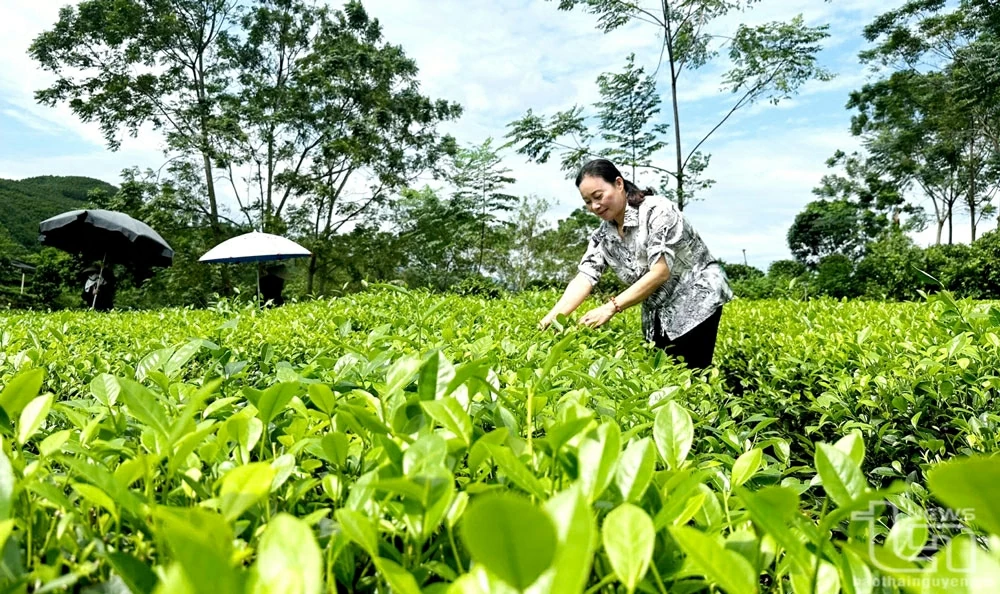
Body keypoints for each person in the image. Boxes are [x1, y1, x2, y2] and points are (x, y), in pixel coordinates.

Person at [539, 159, 733, 369]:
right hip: (659, 307)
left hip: (696, 299)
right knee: (661, 373)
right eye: (587, 201)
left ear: (619, 184)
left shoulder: (658, 211)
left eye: (598, 196)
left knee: (690, 373)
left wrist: (609, 308)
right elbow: (585, 276)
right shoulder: (603, 235)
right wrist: (551, 319)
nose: (595, 206)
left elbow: (660, 272)